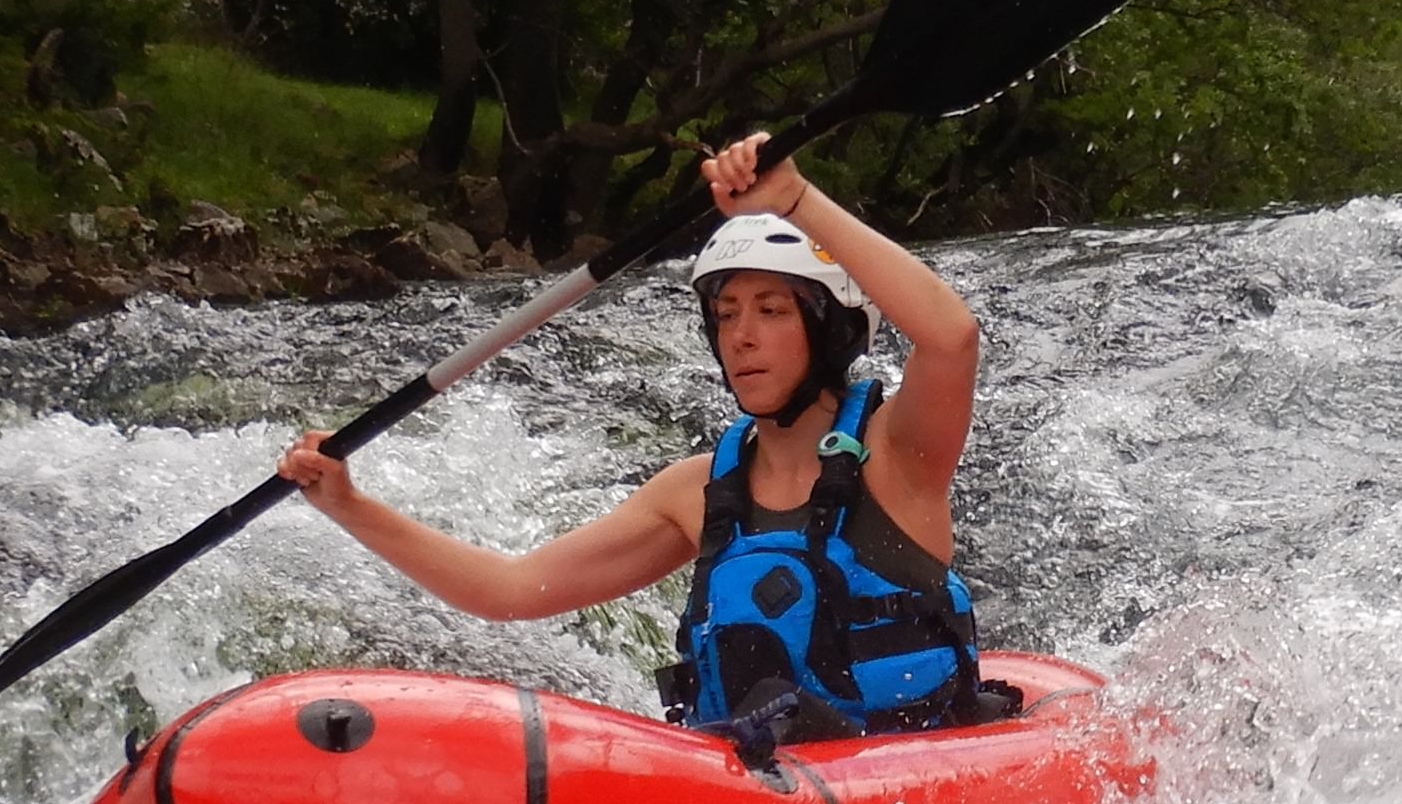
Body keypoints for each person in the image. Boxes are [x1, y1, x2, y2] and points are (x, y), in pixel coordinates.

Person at [276, 135, 993, 739]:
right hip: (756, 794)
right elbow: (509, 589)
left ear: (830, 327)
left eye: (771, 310)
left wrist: (796, 199)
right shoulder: (695, 493)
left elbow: (952, 338)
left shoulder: (897, 456)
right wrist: (349, 506)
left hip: (898, 794)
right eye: (727, 314)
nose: (741, 336)